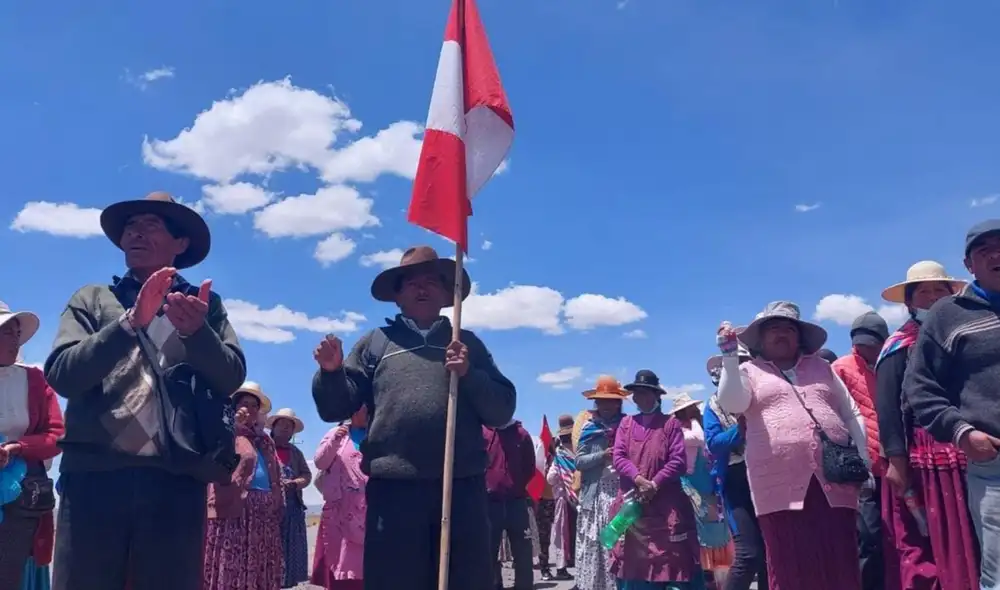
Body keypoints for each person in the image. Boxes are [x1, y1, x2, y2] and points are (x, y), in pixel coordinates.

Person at [45, 191, 246, 590]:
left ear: (180, 243)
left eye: (150, 225)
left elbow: (231, 377)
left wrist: (196, 332)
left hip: (175, 478)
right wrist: (128, 324)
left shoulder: (204, 305)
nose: (135, 233)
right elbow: (62, 375)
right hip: (94, 478)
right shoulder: (92, 299)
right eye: (130, 227)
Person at [311, 246, 516, 590]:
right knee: (395, 581)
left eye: (431, 282)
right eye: (412, 284)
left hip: (460, 488)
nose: (422, 289)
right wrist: (331, 373)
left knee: (464, 580)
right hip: (394, 493)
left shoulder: (465, 343)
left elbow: (501, 410)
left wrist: (469, 373)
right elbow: (335, 407)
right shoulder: (377, 344)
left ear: (446, 294)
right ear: (397, 296)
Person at [717, 301, 869, 590]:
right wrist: (727, 357)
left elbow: (851, 413)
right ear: (760, 339)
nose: (781, 334)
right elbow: (732, 402)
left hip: (835, 480)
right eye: (773, 328)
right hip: (777, 486)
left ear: (800, 337)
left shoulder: (823, 368)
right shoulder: (748, 371)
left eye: (789, 328)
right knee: (789, 564)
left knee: (840, 558)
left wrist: (865, 460)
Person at [905, 221, 1000, 588]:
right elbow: (920, 387)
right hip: (993, 464)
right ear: (968, 265)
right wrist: (962, 434)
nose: (996, 254)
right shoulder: (948, 316)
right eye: (984, 250)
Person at [876, 260, 978, 590]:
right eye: (924, 291)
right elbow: (889, 407)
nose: (933, 297)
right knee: (942, 536)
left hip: (975, 447)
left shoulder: (965, 333)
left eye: (940, 290)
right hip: (930, 455)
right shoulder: (898, 346)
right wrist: (897, 461)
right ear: (909, 301)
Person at [609, 369, 704, 590]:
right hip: (633, 504)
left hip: (666, 504)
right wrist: (639, 479)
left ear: (656, 395)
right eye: (636, 393)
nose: (640, 398)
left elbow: (678, 460)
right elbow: (619, 456)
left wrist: (655, 483)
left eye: (645, 392)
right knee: (633, 561)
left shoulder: (670, 424)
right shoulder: (626, 425)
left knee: (670, 558)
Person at [0, 303, 64, 590]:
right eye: (6, 333)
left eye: (16, 334)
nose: (14, 340)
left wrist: (16, 447)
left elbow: (56, 435)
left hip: (22, 498)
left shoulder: (34, 379)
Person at [204, 382, 283, 590]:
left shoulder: (265, 441)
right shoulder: (223, 430)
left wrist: (276, 499)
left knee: (259, 564)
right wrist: (231, 428)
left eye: (254, 405)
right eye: (244, 403)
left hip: (263, 511)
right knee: (233, 562)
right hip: (235, 508)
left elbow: (276, 472)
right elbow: (214, 458)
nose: (249, 409)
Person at [832, 312, 890, 590]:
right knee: (869, 538)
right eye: (860, 343)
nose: (865, 348)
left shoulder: (890, 363)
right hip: (862, 469)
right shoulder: (841, 368)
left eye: (871, 342)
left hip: (894, 465)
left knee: (895, 536)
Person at [704, 339, 768, 590]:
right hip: (736, 476)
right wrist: (739, 431)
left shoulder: (764, 394)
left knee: (770, 550)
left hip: (768, 472)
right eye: (737, 363)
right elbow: (713, 443)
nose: (742, 368)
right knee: (748, 553)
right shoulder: (714, 405)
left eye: (745, 363)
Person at [672, 392, 733, 589]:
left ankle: (714, 577)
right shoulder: (681, 430)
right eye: (691, 408)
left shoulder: (695, 427)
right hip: (691, 481)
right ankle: (706, 577)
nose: (695, 410)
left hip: (705, 478)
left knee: (714, 525)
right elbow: (698, 439)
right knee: (702, 526)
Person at [575, 375, 628, 590]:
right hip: (595, 497)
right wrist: (602, 456)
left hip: (620, 495)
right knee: (594, 547)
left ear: (618, 403)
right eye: (602, 401)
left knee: (619, 545)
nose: (606, 406)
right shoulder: (589, 428)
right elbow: (579, 461)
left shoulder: (627, 426)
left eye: (611, 401)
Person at [311, 407, 369, 590]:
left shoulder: (377, 433)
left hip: (370, 512)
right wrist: (335, 440)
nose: (366, 411)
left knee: (368, 569)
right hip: (340, 514)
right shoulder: (337, 433)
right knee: (340, 567)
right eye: (362, 407)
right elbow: (321, 462)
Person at [484, 419, 536, 590]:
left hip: (516, 502)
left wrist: (516, 485)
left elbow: (529, 467)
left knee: (523, 554)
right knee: (488, 552)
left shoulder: (522, 435)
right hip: (489, 504)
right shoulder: (482, 432)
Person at [268, 408, 313, 589]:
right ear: (274, 427)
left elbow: (307, 475)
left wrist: (295, 483)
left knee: (291, 551)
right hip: (270, 507)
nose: (286, 429)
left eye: (289, 426)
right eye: (282, 425)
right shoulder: (264, 446)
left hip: (293, 507)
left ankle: (287, 584)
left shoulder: (296, 453)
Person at [543, 415, 578, 582]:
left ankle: (561, 567)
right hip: (579, 499)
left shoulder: (559, 458)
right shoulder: (579, 454)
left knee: (561, 535)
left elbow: (551, 478)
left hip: (563, 500)